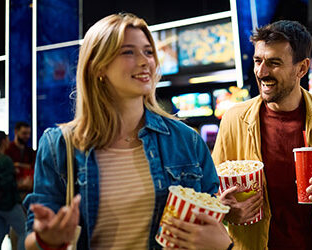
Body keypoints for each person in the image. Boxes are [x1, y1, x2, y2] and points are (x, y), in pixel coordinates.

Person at [23, 13, 231, 250]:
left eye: (149, 52)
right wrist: (47, 238)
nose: (145, 62)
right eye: (128, 52)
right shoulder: (59, 146)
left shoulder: (186, 140)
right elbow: (32, 239)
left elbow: (212, 221)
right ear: (98, 66)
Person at [212, 20, 312, 249]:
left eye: (274, 63)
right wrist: (226, 210)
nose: (261, 71)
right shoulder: (233, 120)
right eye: (258, 61)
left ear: (302, 68)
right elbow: (210, 192)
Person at [0, 131, 26, 250]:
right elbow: (7, 185)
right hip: (9, 205)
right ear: (3, 141)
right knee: (24, 231)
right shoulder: (6, 160)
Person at [5, 122, 35, 201]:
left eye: (29, 133)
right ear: (16, 132)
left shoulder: (30, 151)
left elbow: (34, 166)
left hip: (28, 190)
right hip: (11, 193)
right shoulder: (7, 150)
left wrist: (18, 164)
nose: (27, 136)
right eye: (24, 133)